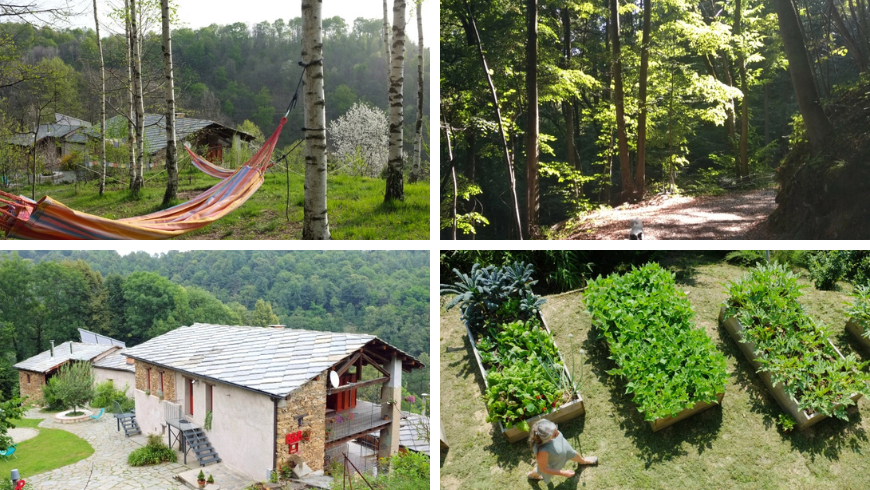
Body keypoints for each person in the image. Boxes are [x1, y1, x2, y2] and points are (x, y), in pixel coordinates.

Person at [526, 419, 597, 483]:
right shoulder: (542, 451)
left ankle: (582, 461)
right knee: (540, 470)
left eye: (556, 429)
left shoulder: (545, 427)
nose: (558, 433)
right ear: (546, 439)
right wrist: (563, 473)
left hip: (564, 449)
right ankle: (532, 475)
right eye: (555, 434)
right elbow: (543, 468)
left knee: (572, 453)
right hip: (554, 462)